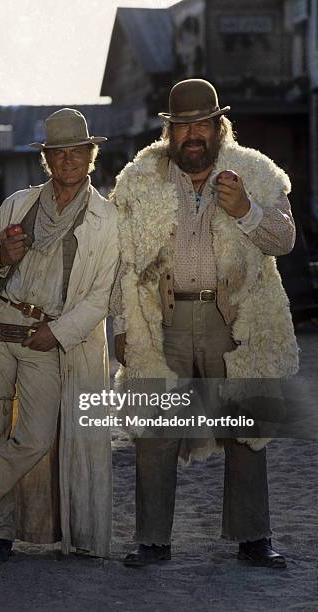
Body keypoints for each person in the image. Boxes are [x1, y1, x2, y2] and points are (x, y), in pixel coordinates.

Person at [110, 79, 298, 569]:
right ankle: (152, 540)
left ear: (219, 126)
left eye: (201, 124)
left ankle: (253, 537)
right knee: (154, 430)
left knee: (246, 426)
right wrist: (122, 325)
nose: (192, 134)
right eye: (182, 126)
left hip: (231, 317)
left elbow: (284, 239)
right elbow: (121, 260)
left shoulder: (256, 173)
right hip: (162, 320)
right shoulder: (140, 179)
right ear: (169, 132)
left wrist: (245, 210)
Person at [0, 108, 119, 565]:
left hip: (45, 336)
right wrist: (3, 255)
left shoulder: (105, 218)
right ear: (46, 159)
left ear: (91, 157)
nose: (68, 160)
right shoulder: (17, 203)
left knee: (34, 437)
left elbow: (101, 296)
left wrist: (58, 332)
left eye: (77, 152)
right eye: (58, 153)